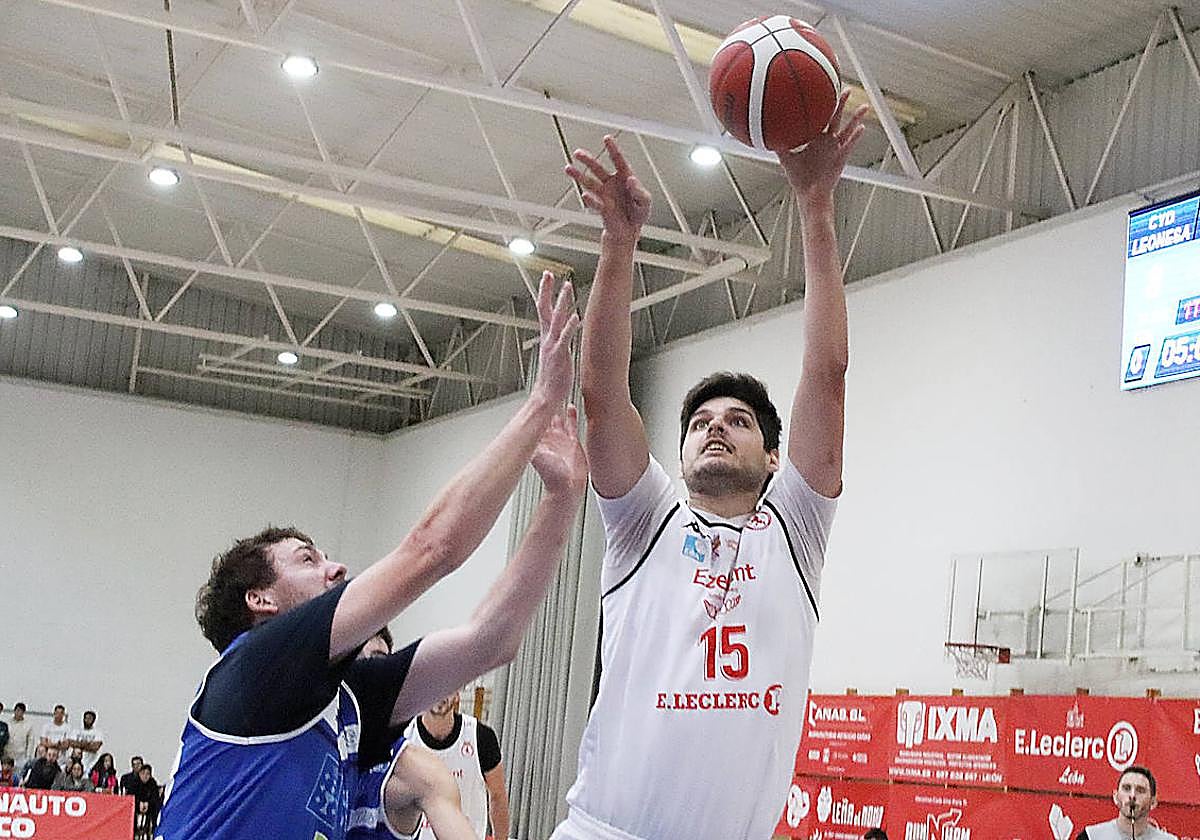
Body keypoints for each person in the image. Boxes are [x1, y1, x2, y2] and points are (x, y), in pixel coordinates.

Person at [156, 272, 587, 840]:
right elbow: (433, 549)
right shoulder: (259, 661)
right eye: (307, 560)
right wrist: (539, 405)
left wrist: (560, 500)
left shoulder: (348, 699)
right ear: (259, 600)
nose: (335, 568)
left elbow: (493, 641)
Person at [557, 91, 867, 840]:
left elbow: (826, 373)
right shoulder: (645, 522)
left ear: (774, 457)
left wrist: (816, 206)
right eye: (698, 424)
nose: (714, 430)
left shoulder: (795, 531)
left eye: (737, 422)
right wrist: (619, 246)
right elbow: (603, 396)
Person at [349, 628, 477, 840]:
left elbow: (497, 797)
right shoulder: (305, 748)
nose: (365, 678)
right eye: (355, 664)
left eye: (376, 665)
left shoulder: (418, 771)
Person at [407, 692, 508, 840]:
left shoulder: (480, 737)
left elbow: (498, 797)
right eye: (434, 687)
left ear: (457, 694)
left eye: (447, 687)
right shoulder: (405, 738)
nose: (440, 694)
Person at [1075, 766, 1177, 840]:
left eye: (1140, 790)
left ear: (1153, 802)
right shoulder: (1091, 836)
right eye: (1126, 788)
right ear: (1115, 797)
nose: (1132, 795)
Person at [3, 703, 36, 767]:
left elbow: (31, 741)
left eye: (21, 711)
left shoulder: (28, 725)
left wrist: (28, 756)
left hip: (20, 756)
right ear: (14, 711)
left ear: (23, 713)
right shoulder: (7, 723)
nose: (19, 713)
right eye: (17, 710)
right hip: (7, 754)